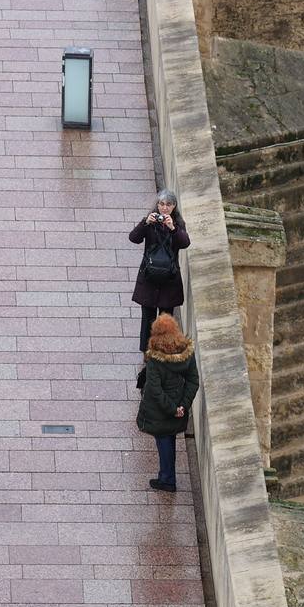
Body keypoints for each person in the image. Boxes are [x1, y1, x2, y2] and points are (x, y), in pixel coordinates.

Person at [136, 314, 199, 492]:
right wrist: (183, 405)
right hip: (179, 405)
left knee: (163, 441)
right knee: (169, 439)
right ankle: (167, 476)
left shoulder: (156, 359)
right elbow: (193, 381)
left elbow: (155, 389)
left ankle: (167, 479)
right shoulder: (186, 353)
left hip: (161, 411)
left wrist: (172, 409)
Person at [129, 189, 190, 352]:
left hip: (169, 280)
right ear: (157, 205)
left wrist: (173, 228)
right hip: (149, 277)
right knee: (147, 319)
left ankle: (163, 351)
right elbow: (134, 238)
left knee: (166, 320)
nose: (164, 208)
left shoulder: (177, 223)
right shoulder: (150, 221)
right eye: (161, 204)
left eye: (168, 204)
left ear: (174, 206)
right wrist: (145, 223)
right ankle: (147, 351)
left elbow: (185, 243)